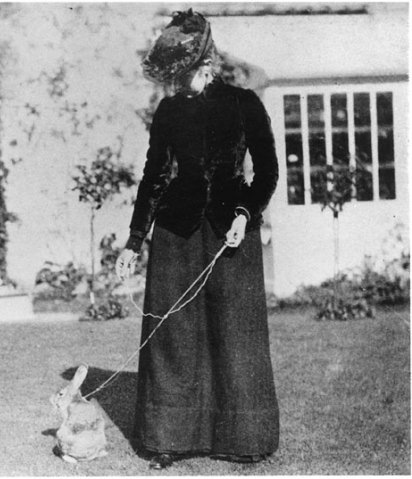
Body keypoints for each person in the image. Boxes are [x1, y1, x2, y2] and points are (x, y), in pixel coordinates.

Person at [116, 9, 279, 470]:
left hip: (232, 231)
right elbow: (154, 177)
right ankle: (170, 438)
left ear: (205, 64)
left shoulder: (244, 103)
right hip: (176, 233)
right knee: (172, 335)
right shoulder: (168, 111)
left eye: (180, 75)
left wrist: (246, 214)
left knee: (236, 335)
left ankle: (243, 439)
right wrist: (134, 241)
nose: (172, 85)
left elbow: (267, 171)